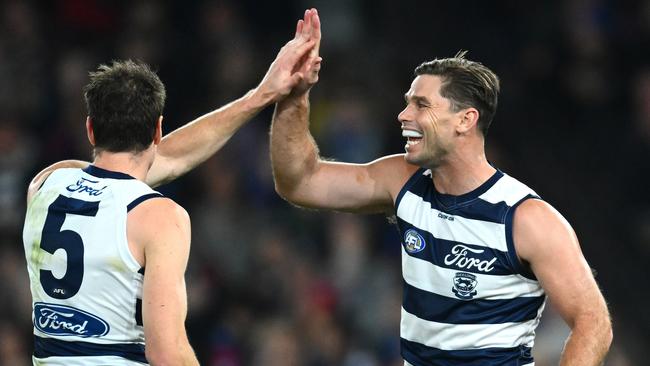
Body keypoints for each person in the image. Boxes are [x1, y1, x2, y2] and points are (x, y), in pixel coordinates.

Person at [269, 10, 612, 366]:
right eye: (407, 103)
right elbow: (299, 182)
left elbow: (593, 321)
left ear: (466, 120)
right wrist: (294, 97)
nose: (403, 115)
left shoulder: (526, 219)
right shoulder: (402, 181)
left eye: (421, 104)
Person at [22, 11, 320, 365]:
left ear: (90, 129)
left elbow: (163, 161)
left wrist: (259, 96)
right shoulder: (159, 217)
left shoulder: (46, 183)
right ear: (158, 130)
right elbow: (167, 353)